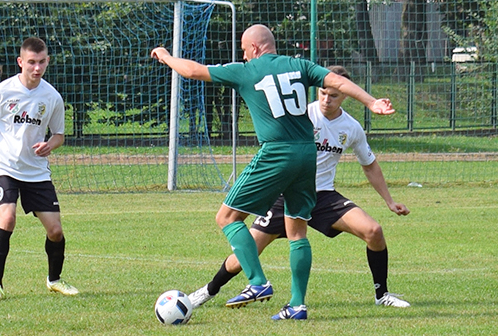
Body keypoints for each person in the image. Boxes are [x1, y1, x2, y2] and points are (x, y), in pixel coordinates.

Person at [151, 25, 395, 320]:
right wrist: (371, 102)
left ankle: (257, 282)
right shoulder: (300, 65)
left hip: (277, 153)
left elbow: (192, 71)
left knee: (226, 217)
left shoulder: (247, 70)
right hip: (307, 153)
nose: (242, 55)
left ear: (254, 48)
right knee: (296, 231)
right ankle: (296, 306)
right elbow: (338, 82)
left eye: (243, 49)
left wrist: (166, 56)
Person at [188, 65, 411, 314]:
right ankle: (207, 291)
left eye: (334, 95)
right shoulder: (301, 115)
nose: (327, 99)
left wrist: (389, 201)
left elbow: (369, 165)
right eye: (323, 93)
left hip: (323, 196)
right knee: (247, 251)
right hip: (284, 195)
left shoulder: (352, 128)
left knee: (374, 231)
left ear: (345, 96)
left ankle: (382, 295)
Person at [0, 36, 79, 301]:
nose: (36, 68)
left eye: (41, 62)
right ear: (20, 62)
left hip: (36, 171)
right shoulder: (1, 92)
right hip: (5, 166)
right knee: (8, 218)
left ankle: (54, 279)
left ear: (47, 61)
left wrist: (51, 145)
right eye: (31, 63)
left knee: (56, 231)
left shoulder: (51, 97)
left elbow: (59, 134)